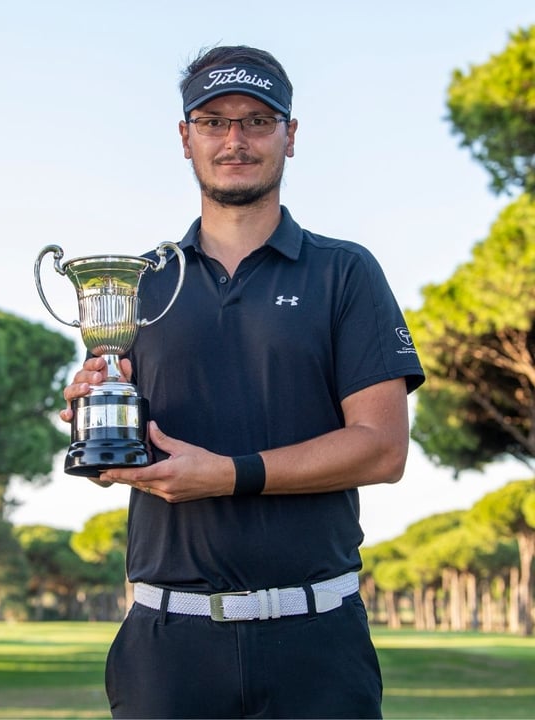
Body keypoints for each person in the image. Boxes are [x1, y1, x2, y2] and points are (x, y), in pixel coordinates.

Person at [60, 46, 424, 718]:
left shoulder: (345, 272)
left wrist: (228, 473)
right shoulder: (138, 282)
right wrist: (97, 418)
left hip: (317, 644)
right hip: (169, 648)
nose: (235, 140)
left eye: (258, 121)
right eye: (213, 121)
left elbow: (382, 448)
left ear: (290, 135)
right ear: (185, 137)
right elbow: (128, 456)